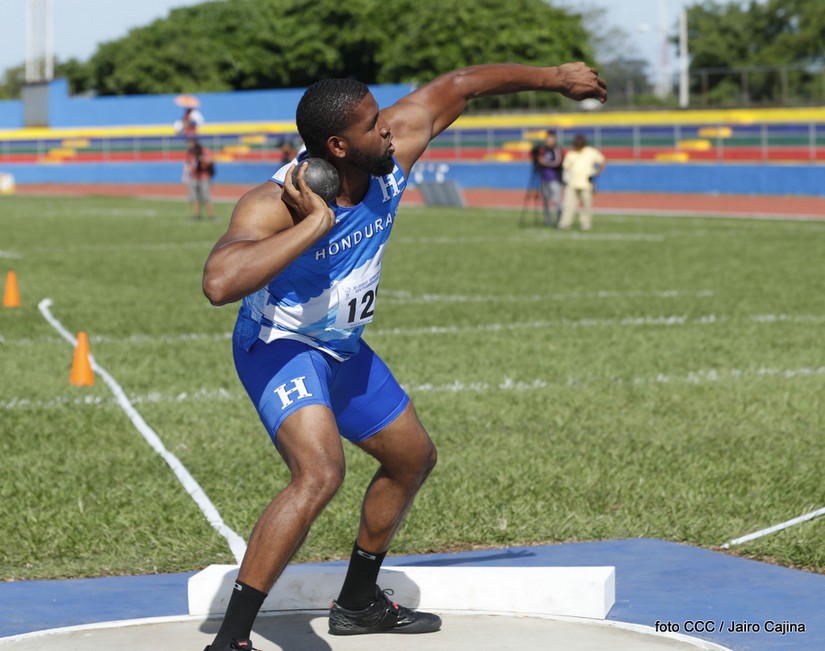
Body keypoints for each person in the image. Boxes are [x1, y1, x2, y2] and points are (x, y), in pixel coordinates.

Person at [201, 61, 606, 651]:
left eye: (382, 115)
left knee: (412, 459)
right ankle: (230, 641)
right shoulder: (276, 202)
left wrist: (557, 77)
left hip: (344, 349)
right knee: (320, 473)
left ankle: (359, 604)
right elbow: (218, 282)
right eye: (372, 125)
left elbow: (463, 84)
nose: (387, 129)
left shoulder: (392, 155)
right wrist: (315, 224)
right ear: (337, 146)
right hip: (280, 346)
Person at [558, 133, 606, 231]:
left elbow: (602, 161)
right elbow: (566, 167)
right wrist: (565, 179)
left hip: (586, 183)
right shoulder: (571, 154)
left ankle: (585, 224)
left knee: (587, 206)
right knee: (568, 205)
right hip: (572, 183)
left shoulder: (591, 152)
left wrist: (596, 173)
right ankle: (565, 223)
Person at [532, 129, 564, 227]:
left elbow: (558, 162)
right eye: (547, 139)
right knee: (545, 201)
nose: (547, 141)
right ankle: (547, 220)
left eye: (550, 139)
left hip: (555, 179)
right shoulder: (544, 150)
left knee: (557, 201)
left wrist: (544, 162)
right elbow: (537, 160)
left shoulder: (557, 150)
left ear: (554, 140)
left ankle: (560, 219)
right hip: (544, 178)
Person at [184, 138, 217, 221]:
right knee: (194, 197)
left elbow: (211, 160)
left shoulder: (203, 150)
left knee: (206, 197)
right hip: (194, 177)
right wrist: (189, 169)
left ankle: (211, 216)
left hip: (204, 177)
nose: (189, 144)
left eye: (190, 142)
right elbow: (188, 164)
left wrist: (203, 160)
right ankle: (196, 215)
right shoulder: (190, 152)